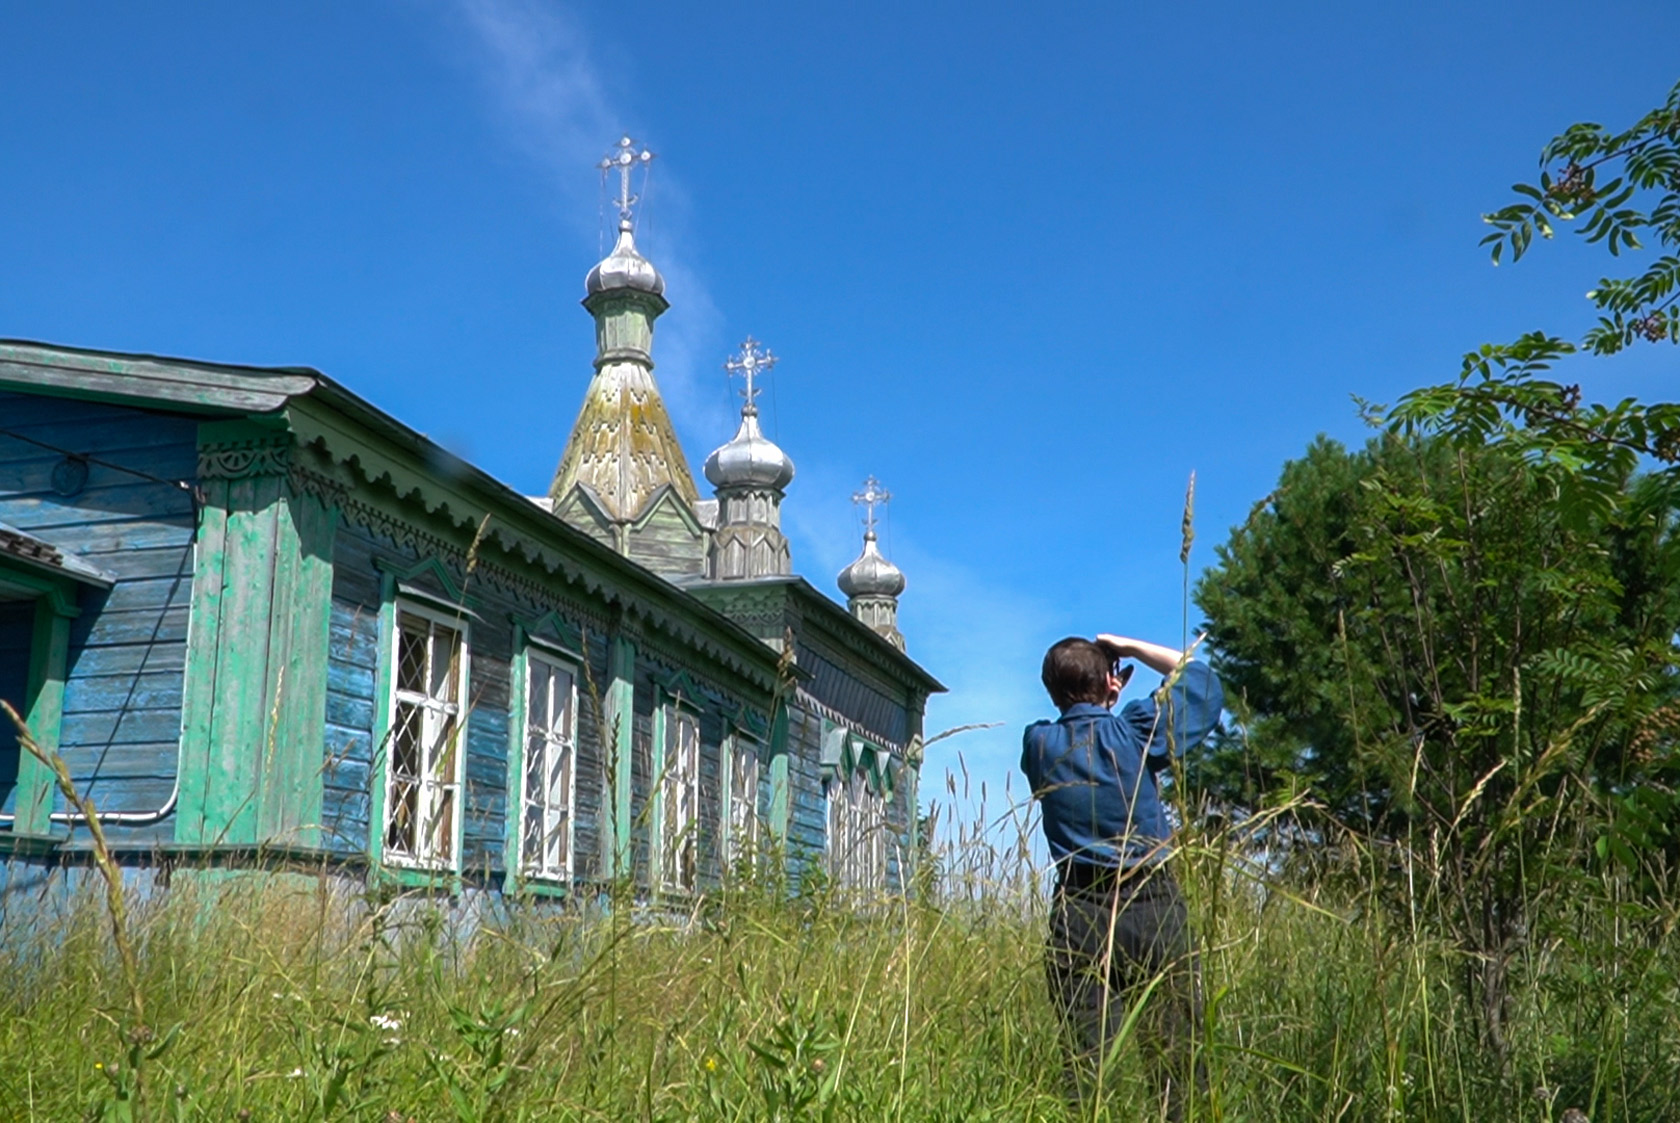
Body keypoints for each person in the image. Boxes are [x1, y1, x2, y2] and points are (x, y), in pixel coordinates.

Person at [1021, 633, 1224, 1116]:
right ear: (1111, 683)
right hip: (1152, 904)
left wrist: (1101, 691)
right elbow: (1200, 677)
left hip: (1078, 912)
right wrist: (1128, 650)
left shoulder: (1038, 743)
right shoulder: (1134, 731)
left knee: (1086, 1060)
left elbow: (1078, 727)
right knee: (1177, 1057)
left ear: (1052, 691)